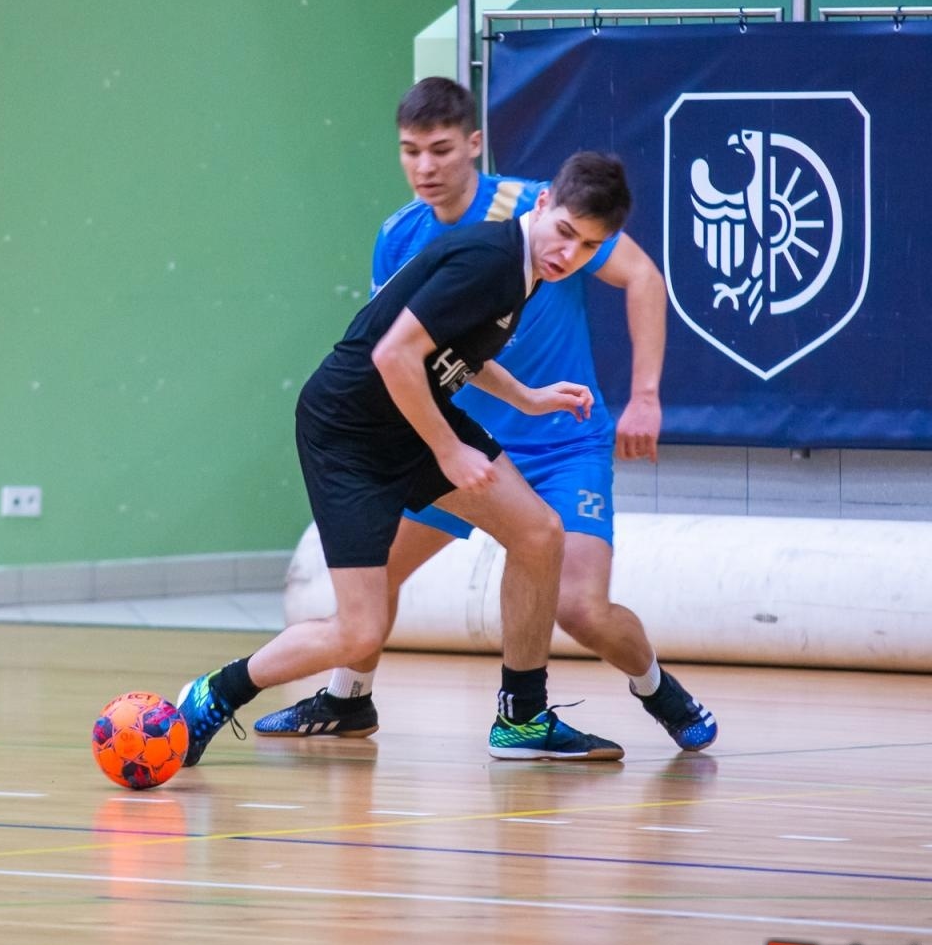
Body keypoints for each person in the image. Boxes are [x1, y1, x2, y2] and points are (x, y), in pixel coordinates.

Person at [253, 78, 716, 753]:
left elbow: (644, 278)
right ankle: (349, 700)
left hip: (556, 443)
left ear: (473, 146)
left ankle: (655, 689)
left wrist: (645, 396)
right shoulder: (399, 234)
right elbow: (400, 351)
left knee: (580, 608)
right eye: (410, 152)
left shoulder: (547, 214)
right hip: (457, 444)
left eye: (440, 150)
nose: (425, 168)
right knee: (372, 579)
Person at [177, 148, 632, 767]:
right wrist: (447, 451)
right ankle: (213, 693)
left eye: (586, 248)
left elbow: (453, 347)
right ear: (544, 203)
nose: (567, 255)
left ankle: (522, 719)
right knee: (358, 631)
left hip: (412, 414)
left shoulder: (523, 265)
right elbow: (394, 355)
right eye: (565, 234)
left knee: (539, 533)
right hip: (348, 431)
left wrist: (526, 398)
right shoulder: (490, 261)